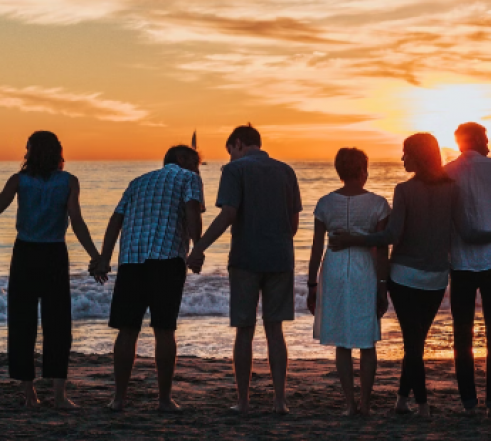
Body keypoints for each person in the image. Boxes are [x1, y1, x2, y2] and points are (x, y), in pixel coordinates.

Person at [329, 133, 491, 417]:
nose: (402, 158)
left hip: (404, 276)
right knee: (415, 342)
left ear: (418, 156)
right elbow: (467, 233)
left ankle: (423, 406)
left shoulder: (403, 190)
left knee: (412, 343)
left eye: (405, 153)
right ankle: (403, 400)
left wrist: (353, 238)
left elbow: (390, 235)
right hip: (437, 278)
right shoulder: (451, 188)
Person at [187, 124, 302, 414]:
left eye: (230, 152)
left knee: (244, 331)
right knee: (275, 331)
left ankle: (243, 402)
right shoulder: (286, 171)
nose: (230, 157)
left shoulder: (234, 170)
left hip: (246, 259)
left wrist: (199, 247)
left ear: (238, 144)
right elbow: (294, 226)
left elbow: (228, 213)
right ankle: (279, 401)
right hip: (280, 259)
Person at [90, 145, 204, 412]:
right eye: (196, 162)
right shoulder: (189, 178)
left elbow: (115, 220)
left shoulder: (138, 181)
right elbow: (191, 211)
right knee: (164, 330)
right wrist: (197, 247)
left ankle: (118, 398)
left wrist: (105, 258)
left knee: (127, 330)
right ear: (181, 159)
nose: (198, 167)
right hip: (166, 259)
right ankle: (164, 400)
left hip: (131, 260)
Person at [0, 131, 100, 408]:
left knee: (22, 324)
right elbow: (77, 222)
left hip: (25, 254)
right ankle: (59, 395)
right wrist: (96, 256)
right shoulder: (68, 181)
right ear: (58, 152)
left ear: (31, 152)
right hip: (54, 254)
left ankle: (29, 394)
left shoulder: (19, 180)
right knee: (58, 324)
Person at [443, 122, 491, 417]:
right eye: (486, 137)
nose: (489, 143)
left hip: (460, 261)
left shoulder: (447, 171)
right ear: (477, 139)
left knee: (462, 333)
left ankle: (468, 403)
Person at [307, 148, 391, 416]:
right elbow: (383, 249)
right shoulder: (378, 204)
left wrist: (311, 285)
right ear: (363, 170)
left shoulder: (324, 203)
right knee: (367, 341)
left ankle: (350, 404)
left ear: (339, 171)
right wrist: (382, 285)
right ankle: (365, 404)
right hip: (364, 268)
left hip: (333, 268)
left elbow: (316, 248)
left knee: (342, 342)